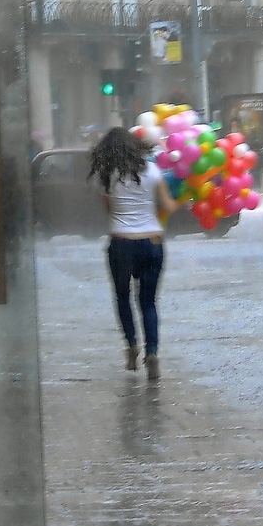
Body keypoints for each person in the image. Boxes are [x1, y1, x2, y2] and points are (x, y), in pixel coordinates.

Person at [88, 127, 179, 380]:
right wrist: (181, 196)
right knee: (148, 301)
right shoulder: (152, 171)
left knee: (122, 297)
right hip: (152, 243)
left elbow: (110, 210)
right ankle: (152, 352)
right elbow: (168, 205)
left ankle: (131, 346)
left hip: (121, 244)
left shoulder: (105, 176)